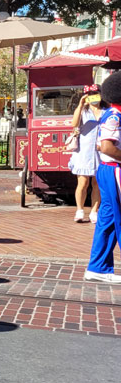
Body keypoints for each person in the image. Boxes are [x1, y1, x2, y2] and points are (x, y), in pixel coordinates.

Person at [86, 72, 121, 283]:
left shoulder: (110, 113)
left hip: (107, 170)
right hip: (115, 169)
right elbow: (107, 147)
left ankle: (98, 266)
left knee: (107, 220)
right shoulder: (116, 116)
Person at [70, 85, 102, 223]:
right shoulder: (83, 111)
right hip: (84, 151)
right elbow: (74, 124)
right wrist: (80, 105)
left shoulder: (106, 111)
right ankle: (80, 210)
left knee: (97, 183)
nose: (93, 96)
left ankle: (94, 211)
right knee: (82, 182)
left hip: (101, 151)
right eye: (90, 94)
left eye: (95, 94)